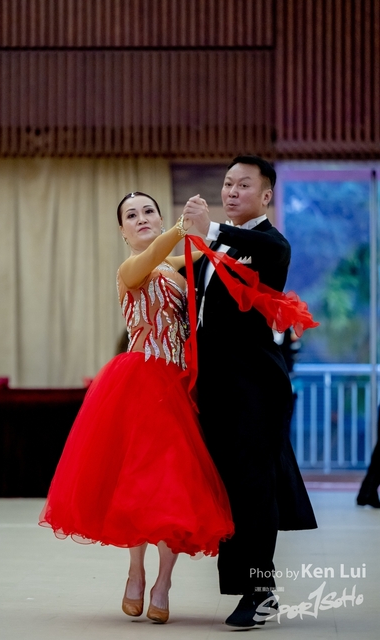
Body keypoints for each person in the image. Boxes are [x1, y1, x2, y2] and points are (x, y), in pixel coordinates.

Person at [39, 191, 234, 624]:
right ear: (122, 230)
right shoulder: (130, 268)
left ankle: (163, 581)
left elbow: (206, 255)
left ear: (159, 217)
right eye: (132, 215)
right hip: (139, 384)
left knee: (173, 486)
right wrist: (181, 228)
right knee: (136, 482)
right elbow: (160, 254)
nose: (141, 218)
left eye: (148, 211)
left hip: (179, 388)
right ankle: (135, 570)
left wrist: (214, 233)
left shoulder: (176, 268)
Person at [183, 155, 318, 629]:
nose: (231, 191)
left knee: (255, 488)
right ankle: (251, 589)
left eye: (243, 185)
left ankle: (260, 591)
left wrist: (209, 229)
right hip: (216, 388)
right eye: (227, 184)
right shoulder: (215, 249)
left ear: (266, 196)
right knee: (231, 491)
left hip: (255, 387)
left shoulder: (269, 245)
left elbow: (258, 247)